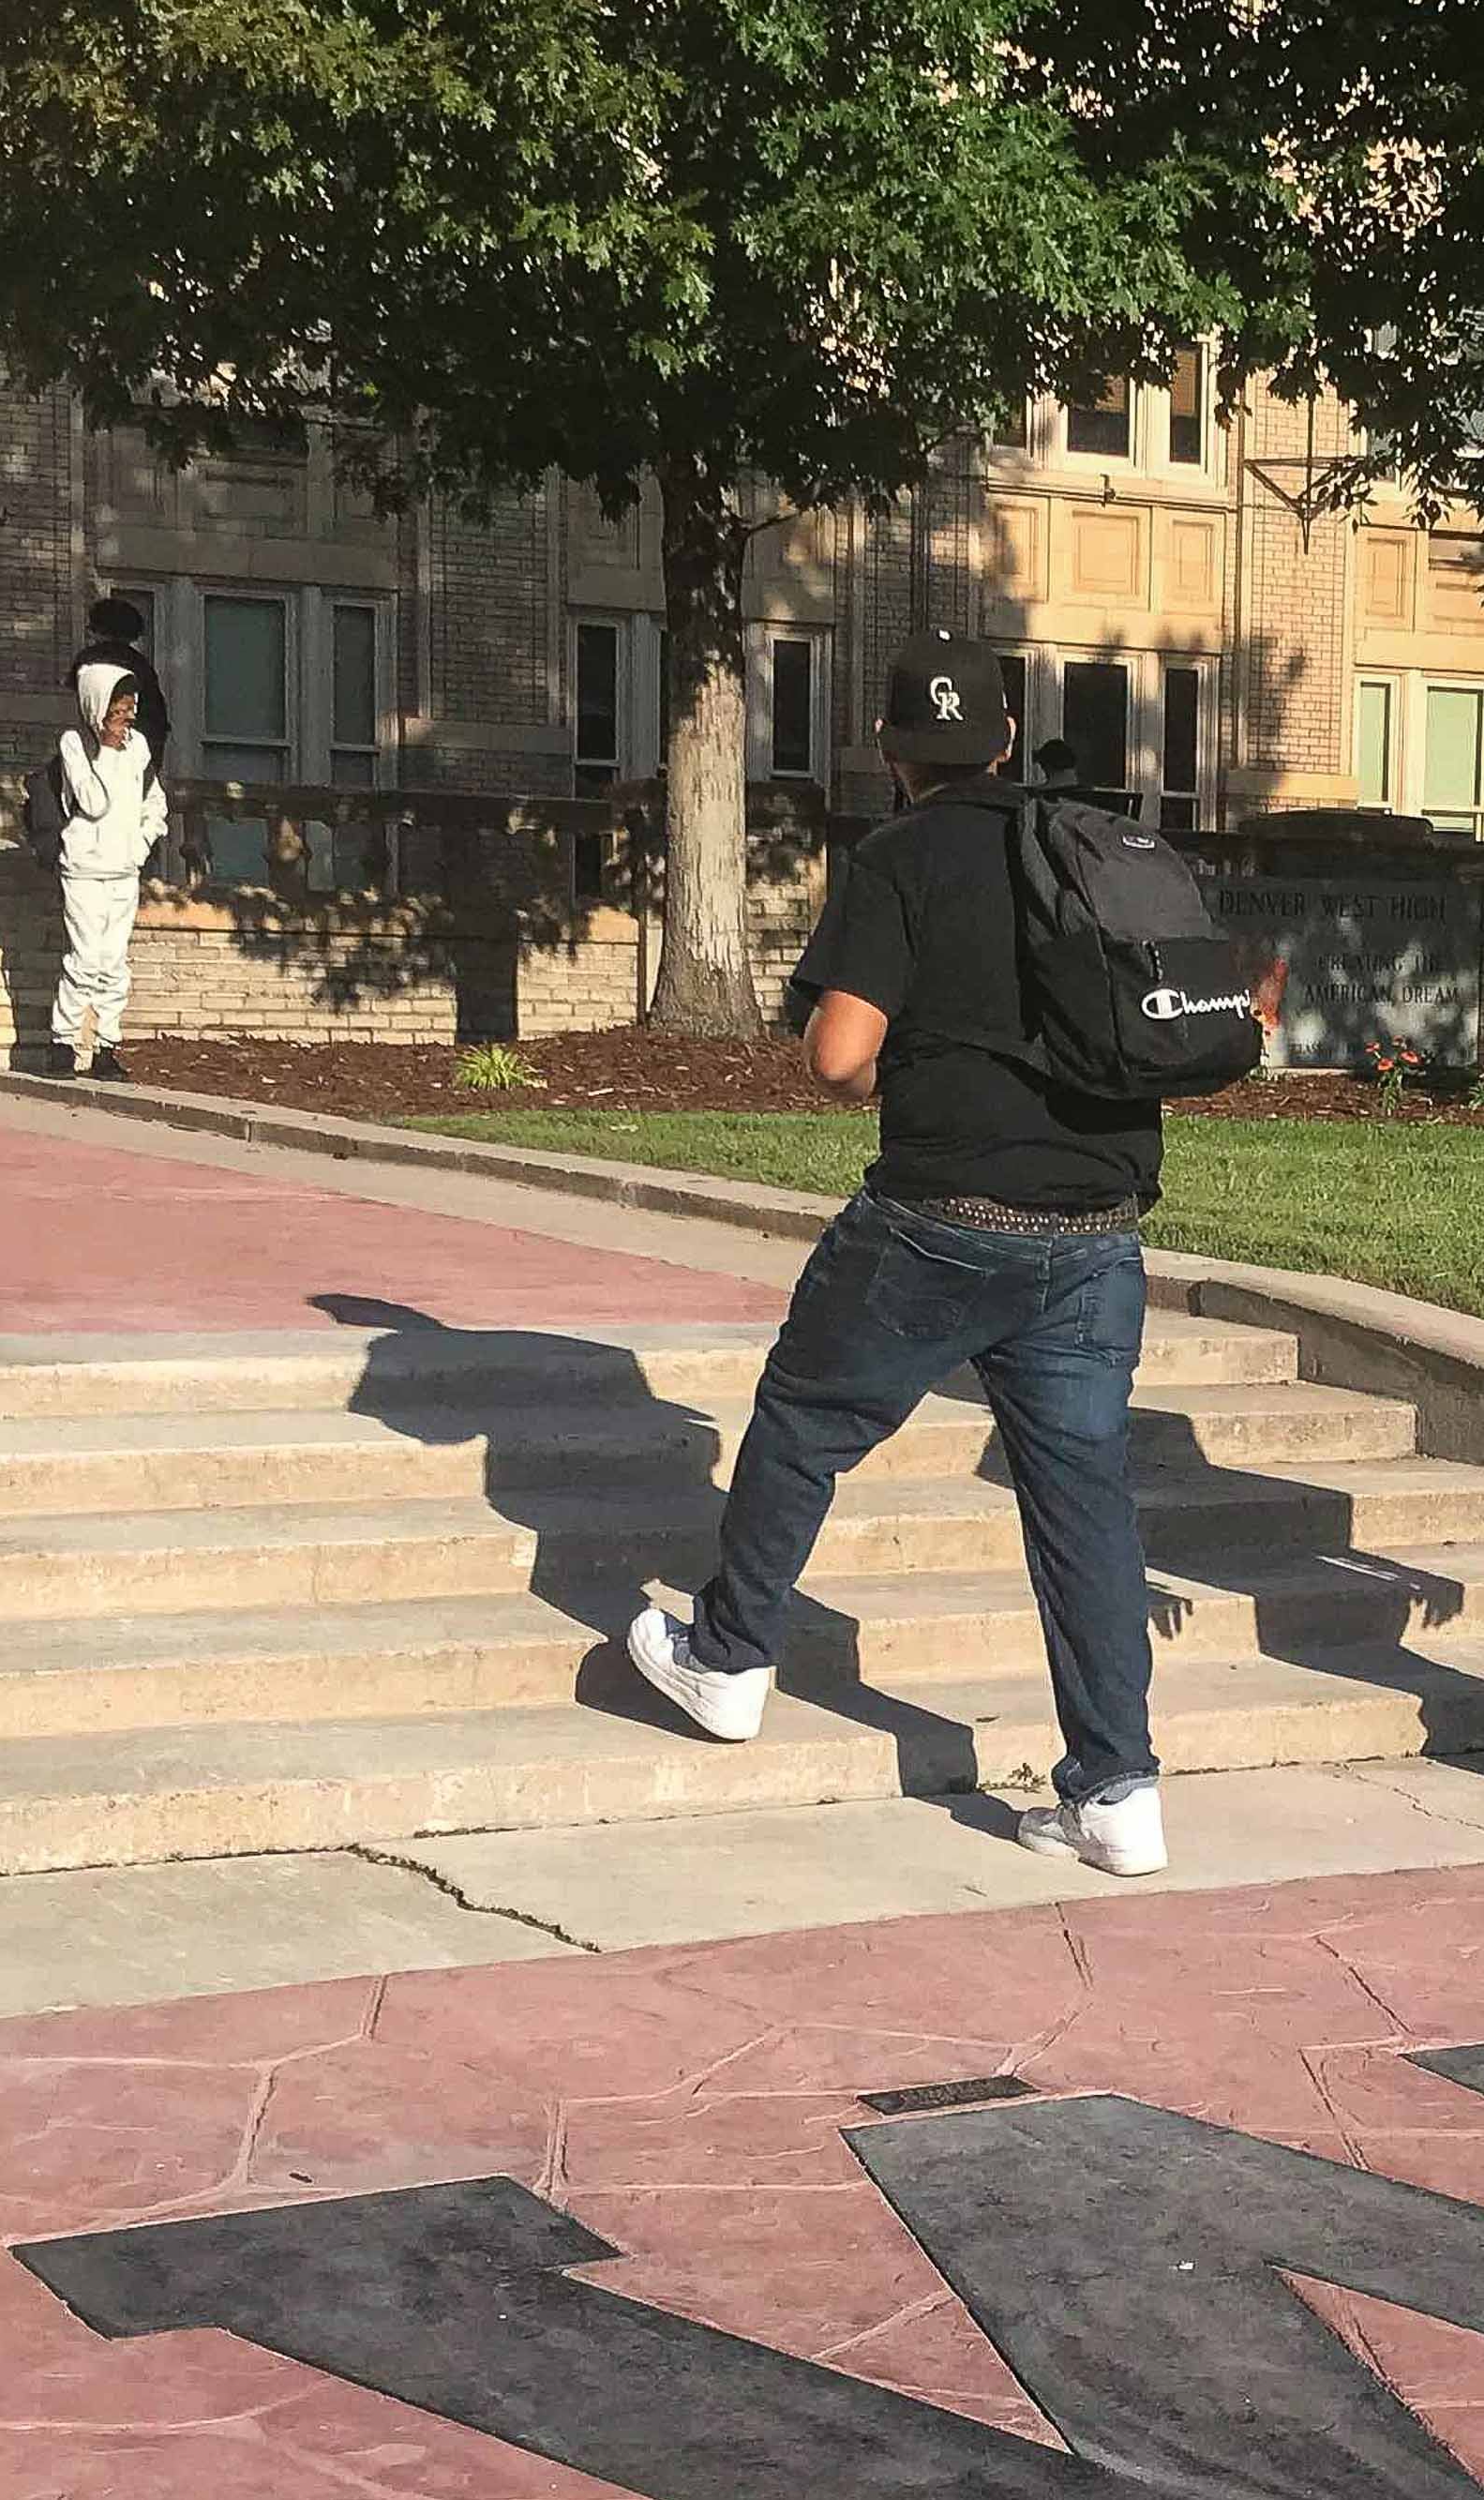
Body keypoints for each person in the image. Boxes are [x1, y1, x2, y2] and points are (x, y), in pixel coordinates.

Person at [624, 629, 1268, 1877]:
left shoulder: (899, 857)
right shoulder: (1082, 847)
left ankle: (729, 1658)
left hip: (939, 1222)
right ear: (1009, 740)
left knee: (806, 1414)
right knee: (1083, 1505)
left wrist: (892, 1056)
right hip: (1095, 1232)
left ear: (887, 752)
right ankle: (1117, 1793)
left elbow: (834, 1054)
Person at [45, 659, 166, 1079]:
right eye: (118, 710)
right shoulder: (74, 744)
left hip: (123, 870)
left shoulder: (140, 748)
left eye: (131, 709)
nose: (127, 718)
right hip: (84, 868)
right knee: (85, 958)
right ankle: (63, 1043)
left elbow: (156, 804)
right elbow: (94, 802)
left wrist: (141, 844)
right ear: (97, 707)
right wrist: (103, 747)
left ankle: (106, 1047)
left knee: (114, 962)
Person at [68, 595, 174, 782]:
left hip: (96, 751)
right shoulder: (141, 665)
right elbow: (157, 718)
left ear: (98, 630)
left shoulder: (88, 659)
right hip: (138, 754)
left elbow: (73, 706)